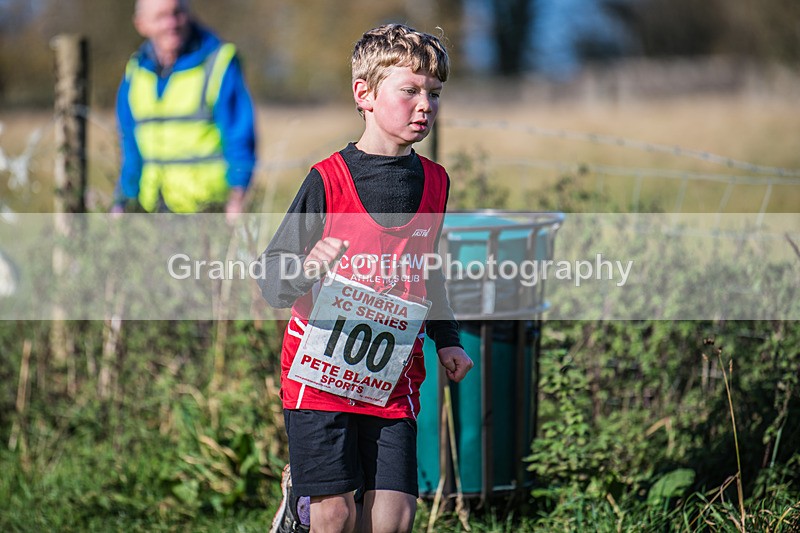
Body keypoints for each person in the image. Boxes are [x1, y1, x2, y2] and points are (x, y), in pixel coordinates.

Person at [259, 24, 473, 533]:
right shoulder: (327, 180)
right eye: (411, 90)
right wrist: (308, 268)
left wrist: (447, 340)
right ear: (365, 94)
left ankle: (309, 495)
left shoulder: (436, 183)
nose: (426, 105)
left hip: (390, 375)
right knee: (336, 517)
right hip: (319, 374)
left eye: (434, 93)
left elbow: (429, 269)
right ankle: (303, 503)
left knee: (393, 519)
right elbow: (271, 279)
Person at [112, 0, 256, 222]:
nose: (171, 23)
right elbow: (130, 144)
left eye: (177, 13)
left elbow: (240, 135)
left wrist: (237, 195)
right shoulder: (135, 72)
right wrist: (123, 200)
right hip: (152, 209)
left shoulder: (218, 62)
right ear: (141, 24)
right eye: (160, 17)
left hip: (209, 211)